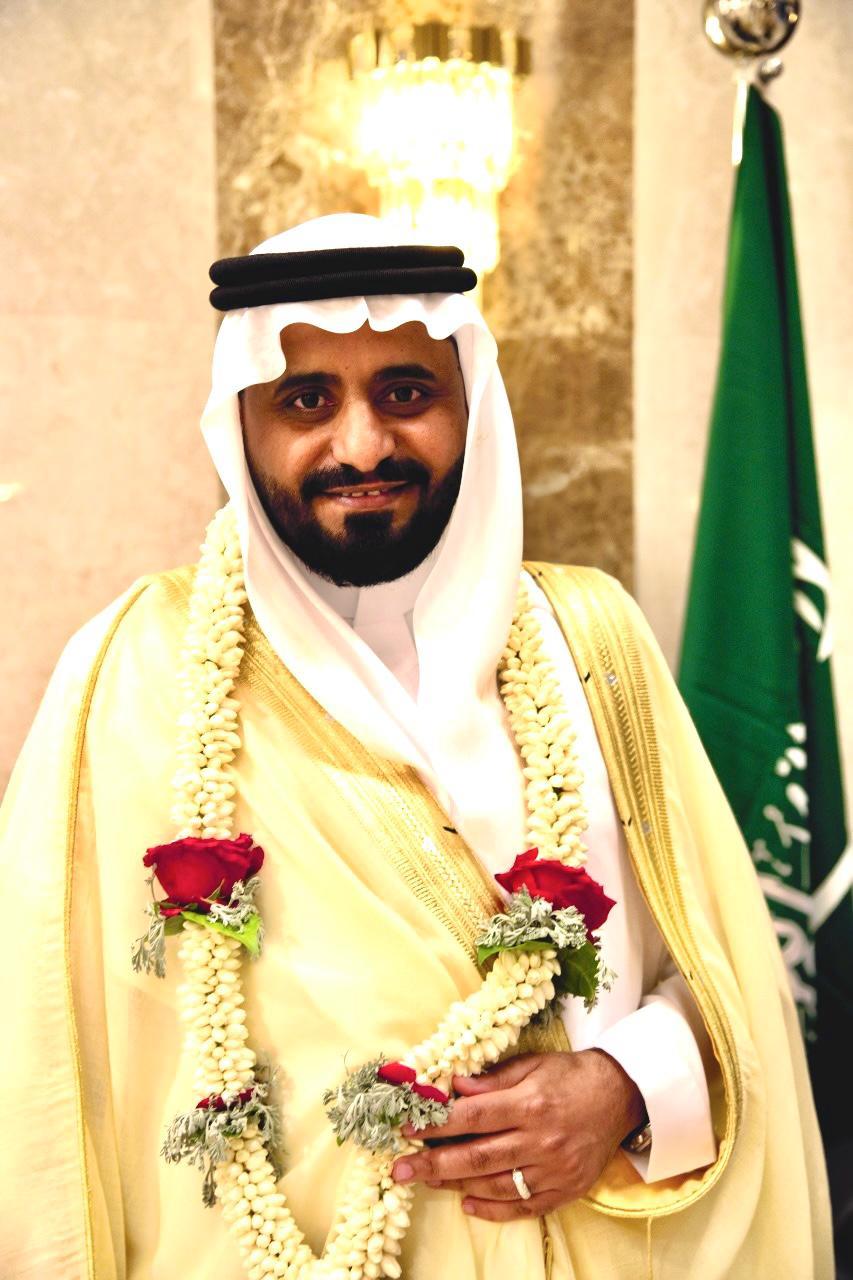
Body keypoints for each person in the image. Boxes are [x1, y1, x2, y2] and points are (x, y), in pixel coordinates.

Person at [1, 214, 831, 1280]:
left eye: (404, 392)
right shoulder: (134, 671)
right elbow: (44, 1060)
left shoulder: (591, 641)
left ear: (468, 403)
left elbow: (726, 973)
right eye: (306, 400)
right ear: (240, 422)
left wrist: (627, 1086)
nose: (360, 447)